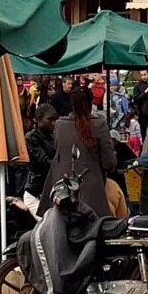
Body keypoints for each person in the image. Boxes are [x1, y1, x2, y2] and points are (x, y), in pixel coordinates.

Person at [39, 86, 116, 218]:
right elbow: (108, 162)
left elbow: (58, 151)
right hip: (91, 191)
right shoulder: (99, 124)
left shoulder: (60, 125)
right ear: (91, 102)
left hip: (60, 189)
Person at [25, 104, 59, 194]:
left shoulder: (54, 136)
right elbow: (44, 161)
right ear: (39, 119)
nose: (53, 123)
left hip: (51, 185)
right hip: (36, 188)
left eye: (55, 120)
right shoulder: (31, 138)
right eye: (50, 120)